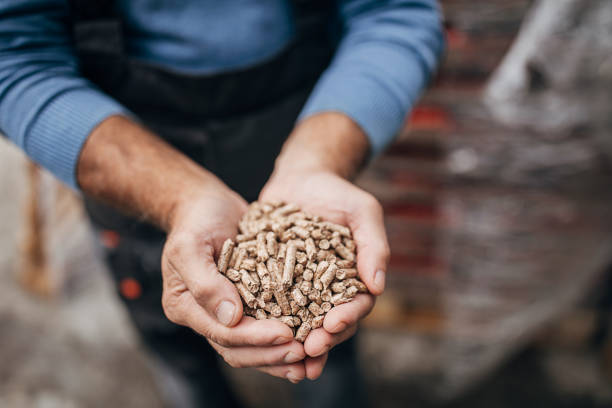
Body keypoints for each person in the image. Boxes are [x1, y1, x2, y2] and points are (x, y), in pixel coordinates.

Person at [0, 0, 444, 407]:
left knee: (327, 359)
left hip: (299, 127)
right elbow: (13, 57)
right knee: (182, 360)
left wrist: (319, 159)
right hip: (123, 170)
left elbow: (396, 13)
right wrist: (179, 196)